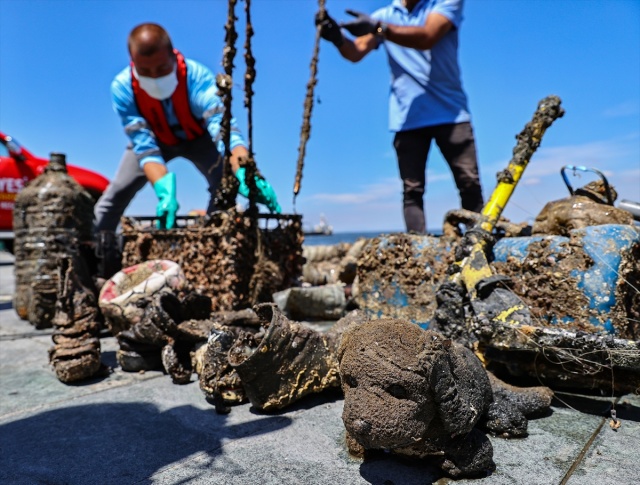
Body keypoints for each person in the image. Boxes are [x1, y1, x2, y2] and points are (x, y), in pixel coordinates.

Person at [94, 22, 280, 234]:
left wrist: (244, 169)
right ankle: (94, 250)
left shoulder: (197, 77)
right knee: (116, 193)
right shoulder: (122, 88)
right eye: (145, 71)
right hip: (155, 141)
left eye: (162, 68)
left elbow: (224, 130)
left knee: (225, 184)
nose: (155, 77)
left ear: (173, 56)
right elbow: (143, 146)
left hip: (200, 139)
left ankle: (212, 239)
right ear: (133, 64)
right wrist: (162, 187)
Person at [316, 0, 483, 233]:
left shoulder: (445, 3)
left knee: (469, 183)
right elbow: (355, 52)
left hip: (451, 113)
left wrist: (379, 28)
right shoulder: (385, 15)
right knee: (411, 190)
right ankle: (417, 249)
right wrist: (337, 38)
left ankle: (478, 241)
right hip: (408, 117)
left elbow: (428, 36)